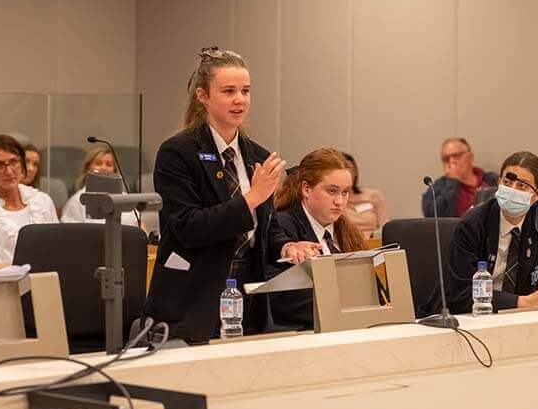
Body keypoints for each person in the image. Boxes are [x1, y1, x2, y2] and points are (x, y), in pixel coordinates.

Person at [142, 46, 321, 344]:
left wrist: (287, 246)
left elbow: (267, 228)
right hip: (195, 298)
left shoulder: (258, 156)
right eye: (228, 91)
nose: (239, 100)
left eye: (245, 91)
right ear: (203, 96)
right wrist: (252, 197)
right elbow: (189, 226)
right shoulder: (178, 152)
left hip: (249, 294)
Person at [440, 151, 538, 315]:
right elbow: (461, 294)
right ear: (499, 183)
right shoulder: (473, 223)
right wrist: (522, 302)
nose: (512, 190)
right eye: (507, 182)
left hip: (520, 317)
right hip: (467, 316)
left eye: (522, 186)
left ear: (537, 195)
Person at [267, 148, 369, 330]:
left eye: (345, 193)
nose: (340, 202)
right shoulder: (281, 228)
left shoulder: (348, 231)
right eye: (332, 191)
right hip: (301, 334)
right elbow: (282, 299)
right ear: (306, 189)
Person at [0, 135, 58, 264]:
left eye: (14, 162)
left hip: (47, 279)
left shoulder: (43, 200)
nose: (9, 171)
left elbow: (57, 251)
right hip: (4, 282)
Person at [61, 145, 139, 227]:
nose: (103, 168)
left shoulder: (125, 199)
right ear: (88, 168)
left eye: (108, 165)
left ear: (114, 171)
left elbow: (139, 228)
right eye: (98, 163)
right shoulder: (77, 201)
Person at [422, 138, 498, 218]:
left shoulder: (490, 179)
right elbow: (433, 218)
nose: (452, 161)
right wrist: (452, 181)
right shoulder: (437, 188)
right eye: (446, 159)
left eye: (456, 156)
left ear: (470, 156)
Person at [341, 152, 388, 238]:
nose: (349, 173)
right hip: (349, 242)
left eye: (351, 169)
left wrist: (373, 236)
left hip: (375, 241)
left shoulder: (373, 195)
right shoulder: (337, 200)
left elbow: (386, 226)